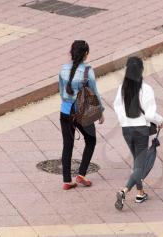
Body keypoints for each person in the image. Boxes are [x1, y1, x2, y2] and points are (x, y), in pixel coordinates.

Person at [113, 56, 163, 210]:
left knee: (137, 162)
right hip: (141, 130)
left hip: (126, 130)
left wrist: (125, 122)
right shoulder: (147, 89)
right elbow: (149, 114)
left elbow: (117, 107)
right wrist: (160, 120)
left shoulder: (122, 87)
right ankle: (124, 190)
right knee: (139, 166)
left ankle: (140, 193)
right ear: (141, 70)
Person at [58, 40, 105, 190]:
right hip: (82, 113)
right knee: (91, 140)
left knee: (67, 145)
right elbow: (94, 93)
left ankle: (67, 180)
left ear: (71, 52)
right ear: (85, 54)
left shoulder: (63, 69)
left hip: (65, 111)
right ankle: (81, 174)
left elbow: (61, 90)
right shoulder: (88, 71)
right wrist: (100, 112)